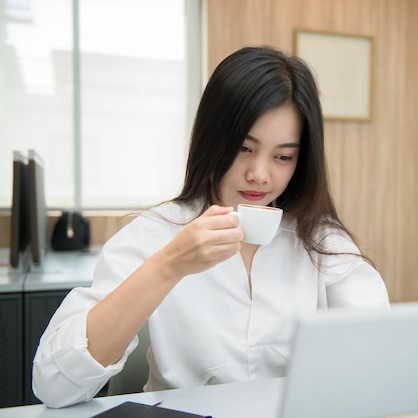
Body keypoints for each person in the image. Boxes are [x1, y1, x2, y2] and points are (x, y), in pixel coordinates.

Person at [32, 46, 389, 408]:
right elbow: (54, 385)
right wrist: (168, 266)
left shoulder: (319, 238)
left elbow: (381, 360)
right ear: (212, 139)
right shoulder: (157, 231)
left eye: (283, 157)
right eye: (244, 148)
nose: (260, 175)